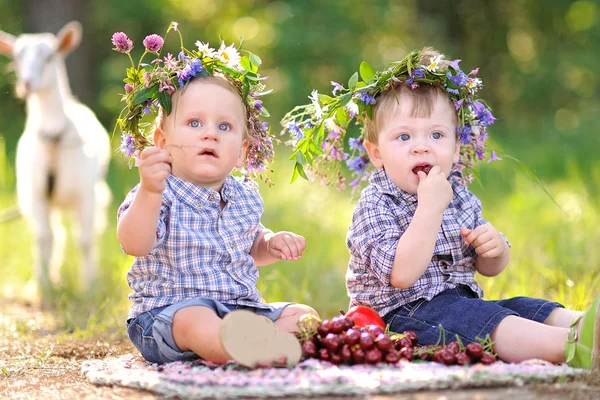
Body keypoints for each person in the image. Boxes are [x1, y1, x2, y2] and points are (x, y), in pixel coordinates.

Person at [280, 47, 599, 369]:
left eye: (436, 134)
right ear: (376, 154)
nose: (422, 145)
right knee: (489, 322)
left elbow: (488, 267)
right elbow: (401, 276)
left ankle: (587, 325)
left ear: (456, 147)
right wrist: (430, 208)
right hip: (401, 317)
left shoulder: (458, 196)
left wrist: (494, 250)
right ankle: (570, 347)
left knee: (524, 307)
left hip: (462, 303)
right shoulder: (375, 204)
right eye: (403, 137)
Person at [112, 25, 319, 367]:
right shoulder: (157, 191)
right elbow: (135, 244)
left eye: (224, 127)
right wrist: (149, 191)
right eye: (194, 123)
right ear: (162, 141)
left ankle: (260, 346)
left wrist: (270, 243)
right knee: (197, 320)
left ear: (242, 151)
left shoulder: (245, 196)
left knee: (304, 316)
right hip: (169, 314)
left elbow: (252, 247)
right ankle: (240, 348)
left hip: (242, 309)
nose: (210, 134)